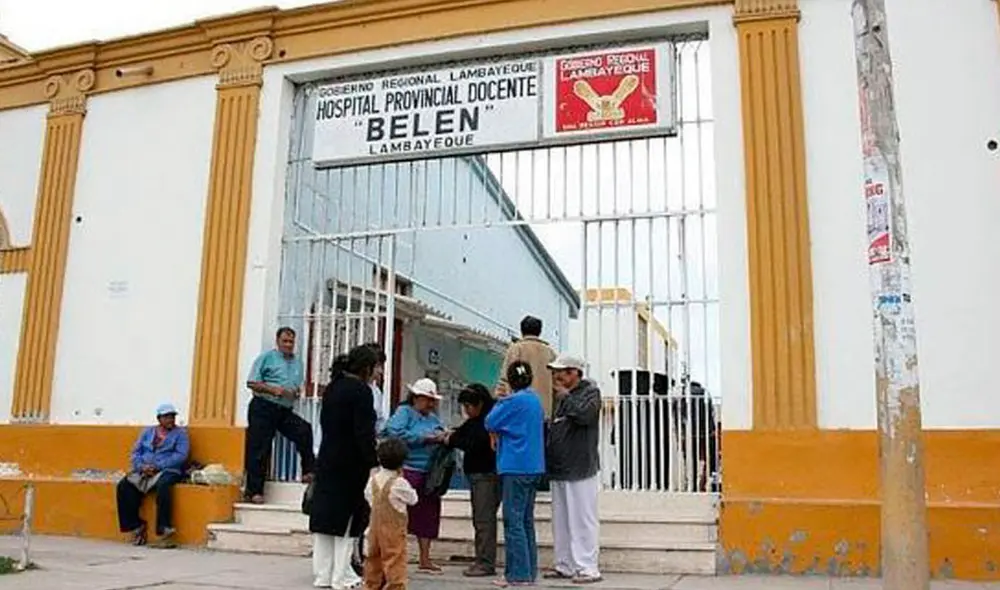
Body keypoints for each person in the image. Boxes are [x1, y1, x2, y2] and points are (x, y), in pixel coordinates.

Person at [309, 345, 379, 590]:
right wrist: (373, 461)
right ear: (367, 368)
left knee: (325, 521)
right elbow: (363, 432)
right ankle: (342, 576)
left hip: (328, 459)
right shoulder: (361, 391)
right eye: (376, 367)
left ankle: (323, 575)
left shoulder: (333, 387)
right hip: (351, 464)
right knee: (348, 521)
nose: (377, 373)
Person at [485, 361, 546, 588]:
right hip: (534, 465)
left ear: (510, 381)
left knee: (513, 521)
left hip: (515, 466)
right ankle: (528, 571)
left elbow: (490, 421)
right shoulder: (535, 400)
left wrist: (500, 398)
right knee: (526, 520)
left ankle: (517, 574)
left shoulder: (512, 401)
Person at [544, 354, 603, 584]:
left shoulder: (590, 393)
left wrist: (566, 397)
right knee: (561, 520)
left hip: (580, 467)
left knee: (582, 519)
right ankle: (565, 564)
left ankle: (588, 567)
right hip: (560, 468)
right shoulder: (560, 397)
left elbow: (585, 416)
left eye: (562, 371)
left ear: (574, 373)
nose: (557, 376)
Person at [382, 377, 447, 574]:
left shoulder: (433, 418)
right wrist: (422, 438)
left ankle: (425, 558)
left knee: (428, 515)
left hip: (428, 473)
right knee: (399, 514)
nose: (430, 404)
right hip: (409, 468)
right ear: (416, 397)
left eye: (432, 400)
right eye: (427, 399)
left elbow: (440, 431)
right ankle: (392, 556)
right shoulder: (404, 413)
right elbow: (394, 432)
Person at [244, 327, 315, 504]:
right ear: (278, 342)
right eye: (285, 341)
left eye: (291, 342)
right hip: (264, 406)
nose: (288, 345)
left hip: (284, 409)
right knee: (260, 449)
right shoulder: (266, 358)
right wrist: (275, 390)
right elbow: (251, 382)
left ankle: (309, 471)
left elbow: (297, 385)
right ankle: (254, 491)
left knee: (304, 430)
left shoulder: (297, 363)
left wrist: (294, 393)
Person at [116, 403, 190, 547]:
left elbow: (181, 455)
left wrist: (158, 466)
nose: (170, 420)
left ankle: (163, 528)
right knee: (124, 486)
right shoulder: (147, 432)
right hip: (144, 469)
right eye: (167, 417)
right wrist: (141, 466)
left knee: (164, 486)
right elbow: (135, 452)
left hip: (167, 470)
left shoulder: (180, 434)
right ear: (159, 419)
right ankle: (135, 525)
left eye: (172, 417)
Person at [445, 383, 499, 577]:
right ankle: (482, 559)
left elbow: (472, 442)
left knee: (484, 520)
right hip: (478, 475)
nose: (467, 411)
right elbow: (461, 434)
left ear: (480, 404)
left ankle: (485, 562)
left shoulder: (488, 421)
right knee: (481, 520)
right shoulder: (474, 422)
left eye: (470, 406)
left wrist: (450, 440)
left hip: (486, 475)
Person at [363, 438, 418, 590]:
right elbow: (413, 499)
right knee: (395, 561)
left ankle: (371, 585)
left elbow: (368, 496)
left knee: (373, 560)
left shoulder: (373, 480)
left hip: (373, 528)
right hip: (393, 531)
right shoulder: (399, 483)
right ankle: (395, 586)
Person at [496, 315, 557, 417]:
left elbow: (505, 379)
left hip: (520, 411)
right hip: (544, 412)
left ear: (522, 330)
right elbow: (556, 384)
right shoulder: (550, 353)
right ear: (540, 331)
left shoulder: (516, 349)